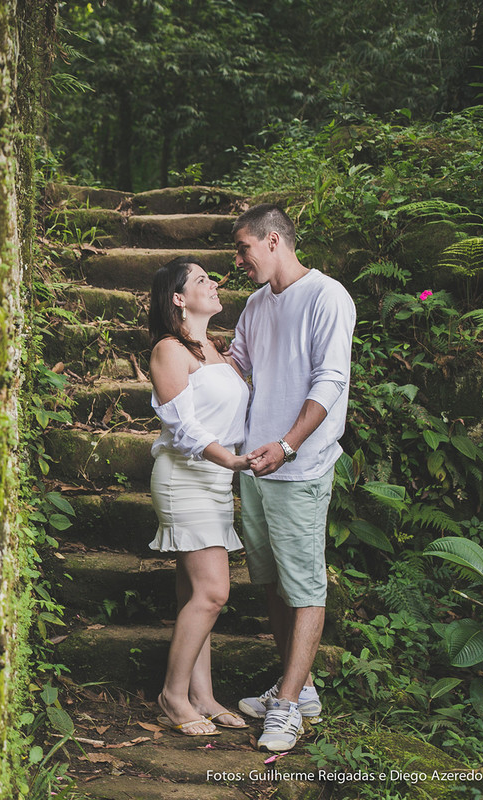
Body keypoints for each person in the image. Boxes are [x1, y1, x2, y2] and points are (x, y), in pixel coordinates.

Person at [228, 204, 356, 752]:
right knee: (273, 583)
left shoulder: (328, 296)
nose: (239, 261)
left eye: (244, 249)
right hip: (256, 465)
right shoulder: (257, 304)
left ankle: (286, 708)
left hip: (298, 466)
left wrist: (287, 446)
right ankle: (298, 689)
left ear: (273, 240)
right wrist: (180, 340)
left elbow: (330, 381)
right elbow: (235, 365)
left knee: (304, 587)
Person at [147, 257, 252, 736]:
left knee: (195, 593)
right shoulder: (169, 350)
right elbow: (182, 426)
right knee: (213, 592)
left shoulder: (215, 350)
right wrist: (230, 460)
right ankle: (173, 696)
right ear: (178, 298)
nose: (214, 284)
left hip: (217, 478)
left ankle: (202, 696)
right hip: (186, 477)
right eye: (202, 280)